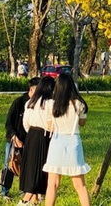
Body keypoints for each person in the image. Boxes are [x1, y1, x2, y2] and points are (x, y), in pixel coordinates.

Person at [42, 73, 91, 206]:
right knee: (80, 185)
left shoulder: (52, 105)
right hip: (73, 141)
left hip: (57, 143)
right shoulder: (79, 104)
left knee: (52, 184)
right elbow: (82, 123)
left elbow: (49, 126)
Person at [17, 76, 56, 206]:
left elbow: (25, 123)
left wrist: (31, 133)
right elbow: (51, 124)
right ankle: (25, 201)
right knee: (40, 170)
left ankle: (35, 201)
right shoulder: (51, 104)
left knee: (31, 168)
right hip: (43, 136)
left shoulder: (30, 103)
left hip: (31, 135)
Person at [0, 77, 40, 199]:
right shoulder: (19, 102)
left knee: (26, 167)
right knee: (10, 165)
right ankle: (4, 191)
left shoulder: (38, 104)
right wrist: (14, 137)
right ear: (32, 89)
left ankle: (25, 191)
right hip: (14, 139)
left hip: (29, 141)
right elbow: (8, 123)